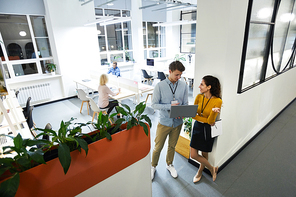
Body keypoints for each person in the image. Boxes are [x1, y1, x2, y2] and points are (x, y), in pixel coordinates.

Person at [151, 61, 188, 181]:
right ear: (170, 72)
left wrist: (182, 113)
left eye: (180, 75)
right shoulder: (160, 86)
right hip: (164, 122)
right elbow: (154, 105)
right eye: (176, 75)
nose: (179, 78)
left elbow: (185, 104)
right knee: (158, 146)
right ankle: (153, 166)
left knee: (172, 146)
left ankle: (169, 164)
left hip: (178, 123)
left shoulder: (183, 85)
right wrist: (170, 107)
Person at [190, 75, 222, 183]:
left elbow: (211, 121)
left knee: (204, 154)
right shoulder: (199, 97)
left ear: (209, 87)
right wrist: (205, 119)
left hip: (207, 130)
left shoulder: (218, 101)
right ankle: (212, 168)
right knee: (193, 155)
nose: (199, 86)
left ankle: (200, 171)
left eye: (202, 84)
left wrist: (212, 113)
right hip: (197, 127)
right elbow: (193, 115)